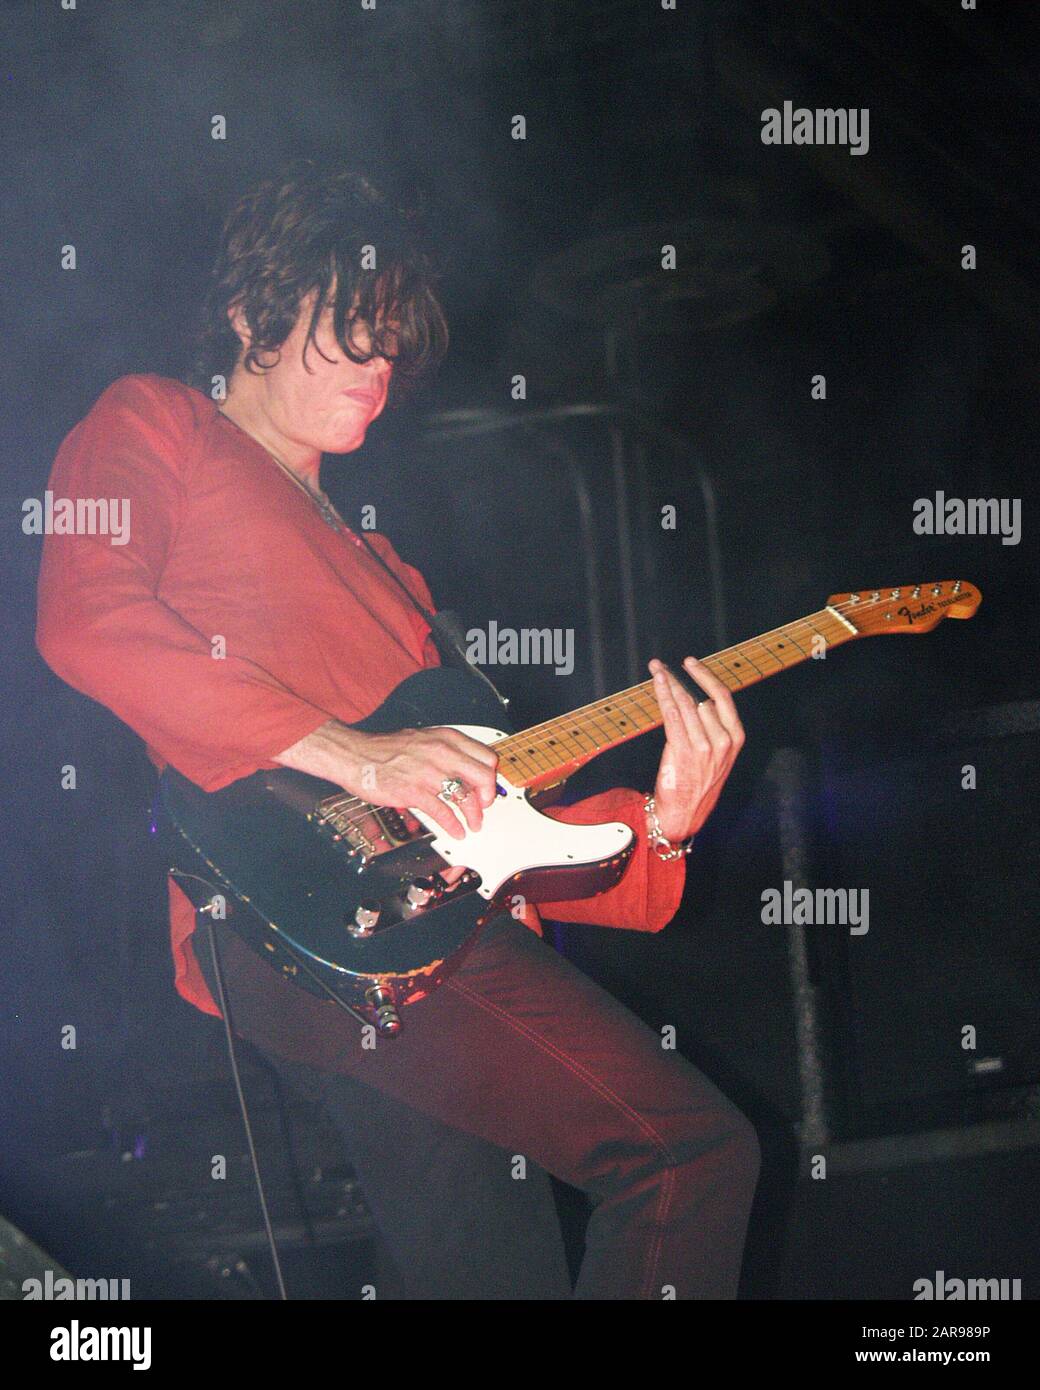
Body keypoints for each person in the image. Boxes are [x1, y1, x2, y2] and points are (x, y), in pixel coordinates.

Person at [35, 161, 760, 1299]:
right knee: (683, 1153)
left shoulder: (391, 572)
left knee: (484, 1273)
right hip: (297, 902)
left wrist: (659, 827)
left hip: (415, 919)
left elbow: (496, 839)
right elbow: (85, 620)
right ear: (248, 314)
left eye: (392, 345)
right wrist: (353, 751)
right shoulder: (156, 420)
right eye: (350, 334)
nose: (379, 366)